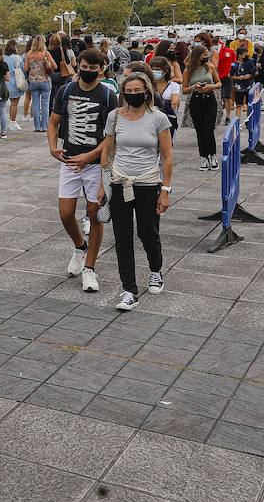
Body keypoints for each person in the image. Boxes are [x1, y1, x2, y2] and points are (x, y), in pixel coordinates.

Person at [102, 73, 173, 312]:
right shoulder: (114, 117)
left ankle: (155, 270)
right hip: (120, 181)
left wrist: (166, 189)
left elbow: (167, 156)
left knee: (147, 233)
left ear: (147, 92)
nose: (133, 95)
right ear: (122, 93)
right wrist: (103, 184)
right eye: (128, 91)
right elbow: (107, 150)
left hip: (148, 183)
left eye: (137, 90)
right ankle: (129, 290)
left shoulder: (158, 118)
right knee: (122, 237)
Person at [49, 50, 116, 294]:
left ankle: (90, 268)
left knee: (95, 213)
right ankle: (80, 245)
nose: (87, 71)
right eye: (84, 66)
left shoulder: (108, 96)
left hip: (96, 164)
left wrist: (91, 157)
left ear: (102, 68)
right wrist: (52, 146)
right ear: (79, 65)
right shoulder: (66, 90)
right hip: (69, 160)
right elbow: (54, 121)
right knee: (66, 214)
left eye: (93, 67)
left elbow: (111, 138)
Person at [183, 43, 221, 171]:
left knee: (209, 130)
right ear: (198, 56)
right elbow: (184, 90)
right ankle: (203, 157)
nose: (207, 56)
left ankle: (213, 155)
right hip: (196, 100)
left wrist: (212, 86)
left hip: (210, 99)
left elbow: (219, 83)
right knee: (200, 131)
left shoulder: (210, 67)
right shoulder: (188, 70)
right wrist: (194, 87)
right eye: (204, 54)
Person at [25, 34, 56, 131]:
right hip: (44, 81)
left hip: (33, 82)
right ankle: (45, 126)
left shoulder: (29, 54)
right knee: (45, 105)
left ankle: (37, 127)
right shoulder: (45, 53)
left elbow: (26, 68)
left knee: (35, 104)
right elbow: (55, 66)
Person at [147, 55, 181, 138]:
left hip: (167, 121)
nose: (154, 72)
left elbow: (173, 104)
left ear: (165, 71)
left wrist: (153, 104)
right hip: (149, 122)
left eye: (157, 70)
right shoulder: (148, 85)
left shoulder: (173, 86)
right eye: (153, 69)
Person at [4, 39, 27, 131]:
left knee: (11, 103)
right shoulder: (17, 57)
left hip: (6, 82)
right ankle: (13, 122)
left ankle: (11, 121)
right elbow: (23, 68)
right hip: (16, 82)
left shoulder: (4, 57)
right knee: (15, 104)